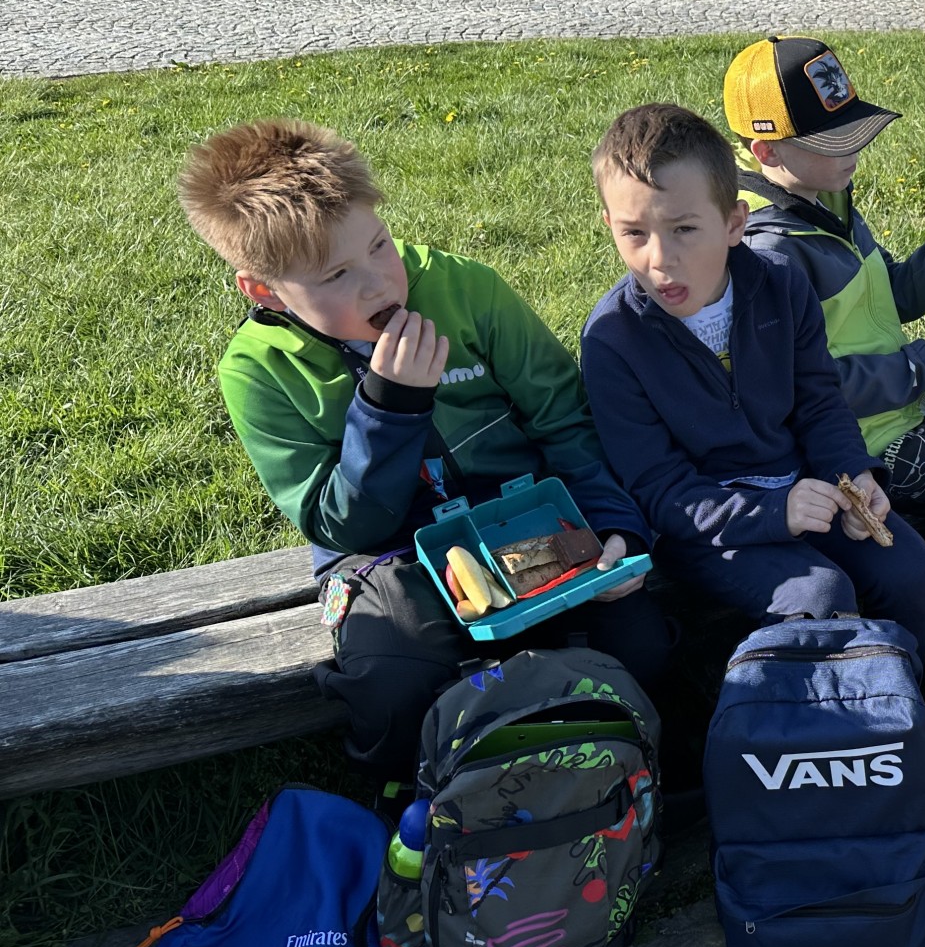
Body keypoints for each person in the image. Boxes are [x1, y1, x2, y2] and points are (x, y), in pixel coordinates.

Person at [177, 119, 674, 779]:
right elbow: (338, 523)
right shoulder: (258, 371)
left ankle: (636, 782)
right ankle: (417, 804)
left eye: (379, 245)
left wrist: (612, 523)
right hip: (387, 553)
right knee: (394, 677)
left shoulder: (466, 290)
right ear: (264, 290)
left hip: (521, 515)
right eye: (336, 275)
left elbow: (565, 420)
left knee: (639, 639)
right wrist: (389, 409)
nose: (378, 283)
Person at [579, 102, 925, 648]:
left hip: (807, 488)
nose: (660, 259)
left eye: (684, 229)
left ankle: (899, 685)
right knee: (822, 596)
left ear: (734, 223)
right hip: (705, 530)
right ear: (609, 225)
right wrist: (775, 513)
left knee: (912, 574)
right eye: (634, 233)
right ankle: (833, 696)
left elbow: (820, 402)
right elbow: (660, 489)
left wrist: (854, 473)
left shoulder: (781, 284)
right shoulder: (613, 340)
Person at [725, 36, 925, 523]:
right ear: (767, 152)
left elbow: (886, 298)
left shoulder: (825, 199)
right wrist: (920, 367)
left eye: (852, 129)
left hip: (900, 408)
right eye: (832, 142)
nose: (853, 148)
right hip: (859, 446)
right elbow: (798, 388)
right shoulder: (768, 250)